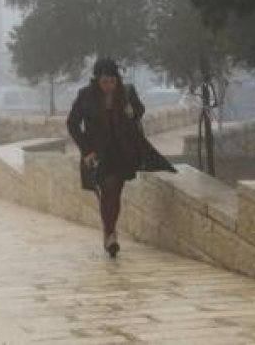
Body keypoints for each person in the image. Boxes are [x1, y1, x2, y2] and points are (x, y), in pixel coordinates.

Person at [67, 58, 175, 257]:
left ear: (117, 79)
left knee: (115, 193)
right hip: (99, 153)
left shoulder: (126, 91)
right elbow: (72, 123)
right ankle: (110, 235)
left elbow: (140, 110)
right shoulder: (85, 95)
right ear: (97, 79)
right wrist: (86, 150)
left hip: (123, 151)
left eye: (112, 81)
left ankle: (109, 230)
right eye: (104, 81)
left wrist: (132, 112)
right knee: (108, 187)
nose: (109, 85)